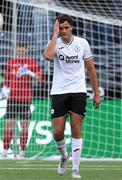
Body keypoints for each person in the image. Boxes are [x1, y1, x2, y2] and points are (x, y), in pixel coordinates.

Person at [43, 15, 101, 178]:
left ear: (72, 27)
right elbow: (47, 56)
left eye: (66, 27)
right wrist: (54, 35)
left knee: (76, 128)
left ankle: (75, 168)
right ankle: (64, 157)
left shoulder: (82, 43)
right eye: (61, 28)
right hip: (58, 92)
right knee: (57, 132)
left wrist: (96, 94)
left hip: (78, 91)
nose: (64, 31)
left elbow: (91, 69)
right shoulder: (54, 43)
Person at [1, 42, 43, 158]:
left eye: (22, 50)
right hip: (12, 99)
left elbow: (41, 80)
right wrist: (4, 88)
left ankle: (22, 152)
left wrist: (30, 73)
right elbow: (6, 80)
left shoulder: (32, 63)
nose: (20, 52)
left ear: (26, 50)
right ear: (16, 50)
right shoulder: (11, 63)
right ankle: (4, 152)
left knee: (24, 125)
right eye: (19, 50)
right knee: (8, 125)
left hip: (25, 99)